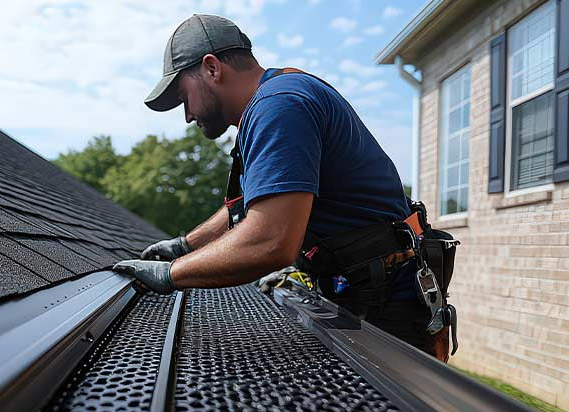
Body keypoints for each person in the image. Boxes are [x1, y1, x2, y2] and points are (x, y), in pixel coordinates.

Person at [114, 14, 452, 360]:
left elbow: (271, 242)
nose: (186, 115)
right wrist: (185, 246)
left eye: (183, 96)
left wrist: (171, 275)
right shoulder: (275, 98)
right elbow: (248, 206)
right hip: (365, 291)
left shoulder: (280, 106)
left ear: (212, 68)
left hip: (388, 307)